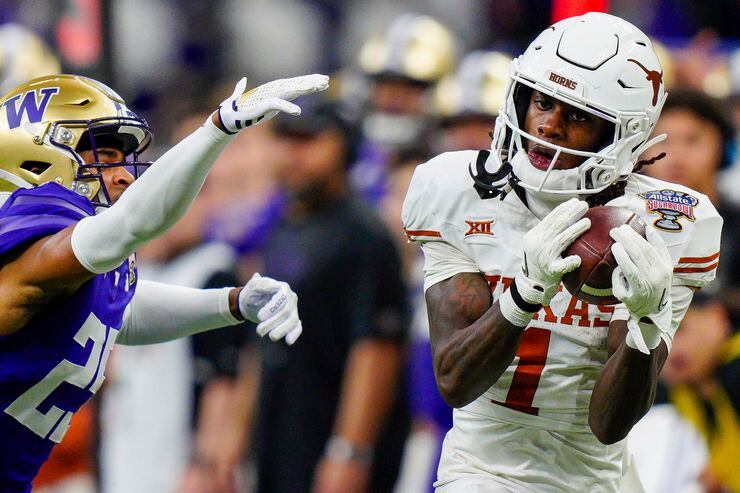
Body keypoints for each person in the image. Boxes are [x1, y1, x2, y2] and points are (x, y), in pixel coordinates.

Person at [402, 12, 723, 492]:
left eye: (576, 115)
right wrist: (523, 296)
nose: (548, 126)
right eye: (541, 101)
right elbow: (454, 381)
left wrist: (646, 326)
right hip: (484, 472)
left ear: (623, 135)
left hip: (599, 479)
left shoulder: (668, 222)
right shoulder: (457, 191)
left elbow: (610, 424)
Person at [0, 72, 328, 492]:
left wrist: (234, 303)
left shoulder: (75, 266)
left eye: (123, 159)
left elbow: (122, 311)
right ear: (35, 157)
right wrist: (217, 131)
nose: (124, 177)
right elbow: (132, 223)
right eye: (104, 157)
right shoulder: (31, 251)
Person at [239, 101, 410, 493]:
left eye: (308, 141)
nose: (290, 156)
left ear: (344, 146)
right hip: (281, 435)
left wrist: (350, 450)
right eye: (284, 142)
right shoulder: (283, 227)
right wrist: (235, 439)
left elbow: (377, 347)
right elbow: (258, 340)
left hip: (330, 439)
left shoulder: (362, 234)